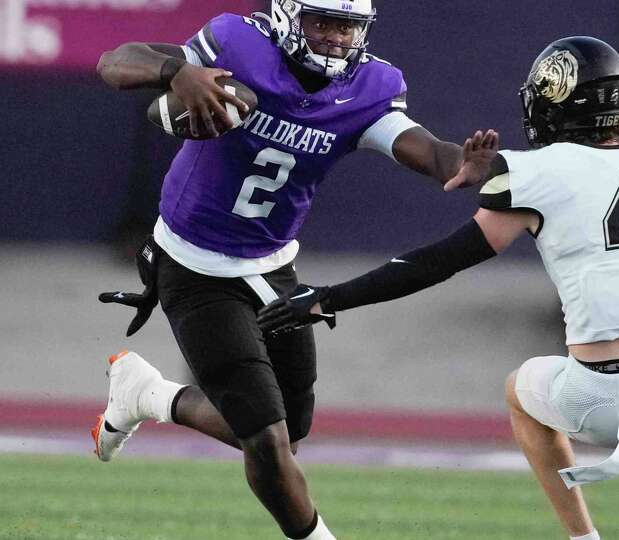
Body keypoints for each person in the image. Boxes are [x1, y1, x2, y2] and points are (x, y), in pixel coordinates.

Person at [258, 36, 619, 540]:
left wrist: (329, 297)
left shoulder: (535, 177)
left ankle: (583, 536)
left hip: (602, 392)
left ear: (563, 105)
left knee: (521, 391)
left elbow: (435, 263)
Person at [92, 2, 499, 540]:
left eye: (348, 26)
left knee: (289, 430)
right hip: (195, 263)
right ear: (289, 16)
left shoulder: (367, 88)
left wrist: (463, 164)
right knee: (267, 439)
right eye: (323, 22)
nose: (336, 37)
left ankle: (149, 395)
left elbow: (429, 152)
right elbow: (115, 62)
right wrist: (178, 71)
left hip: (274, 267)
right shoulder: (238, 44)